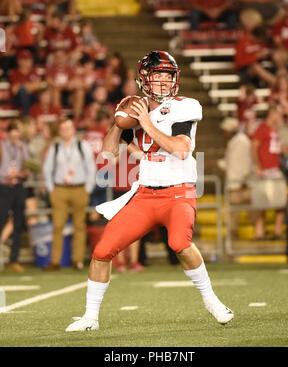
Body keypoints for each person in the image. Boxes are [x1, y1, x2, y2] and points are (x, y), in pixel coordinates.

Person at [65, 50, 234, 332]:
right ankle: (90, 318)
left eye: (168, 76)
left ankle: (211, 299)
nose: (165, 82)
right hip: (144, 195)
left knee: (179, 242)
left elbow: (181, 149)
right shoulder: (137, 109)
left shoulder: (185, 106)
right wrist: (117, 123)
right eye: (158, 76)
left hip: (178, 193)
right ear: (145, 79)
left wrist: (146, 123)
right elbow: (107, 156)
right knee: (102, 251)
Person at [43, 118, 96, 270]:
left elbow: (91, 167)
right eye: (63, 128)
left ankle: (78, 260)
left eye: (69, 128)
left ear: (74, 130)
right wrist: (51, 188)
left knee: (79, 225)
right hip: (60, 189)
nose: (66, 131)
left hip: (79, 188)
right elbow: (47, 169)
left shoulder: (82, 145)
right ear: (60, 131)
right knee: (58, 225)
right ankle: (55, 261)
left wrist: (88, 188)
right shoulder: (55, 147)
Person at [251, 106, 285, 240]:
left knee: (280, 201)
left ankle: (278, 230)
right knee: (262, 201)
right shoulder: (263, 128)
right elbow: (254, 147)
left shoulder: (279, 129)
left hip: (277, 170)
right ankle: (259, 231)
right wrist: (258, 166)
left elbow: (285, 148)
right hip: (264, 170)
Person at [0, 121, 29, 272]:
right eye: (13, 131)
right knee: (1, 220)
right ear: (8, 133)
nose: (15, 134)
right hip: (4, 187)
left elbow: (28, 168)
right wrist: (6, 174)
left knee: (18, 224)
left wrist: (21, 173)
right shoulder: (2, 146)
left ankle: (14, 260)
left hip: (18, 187)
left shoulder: (23, 147)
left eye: (18, 131)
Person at [218, 117, 253, 237]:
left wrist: (245, 179)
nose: (223, 134)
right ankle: (232, 236)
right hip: (235, 184)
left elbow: (247, 162)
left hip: (242, 184)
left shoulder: (242, 141)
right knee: (233, 213)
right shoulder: (234, 142)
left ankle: (259, 233)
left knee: (253, 212)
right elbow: (230, 163)